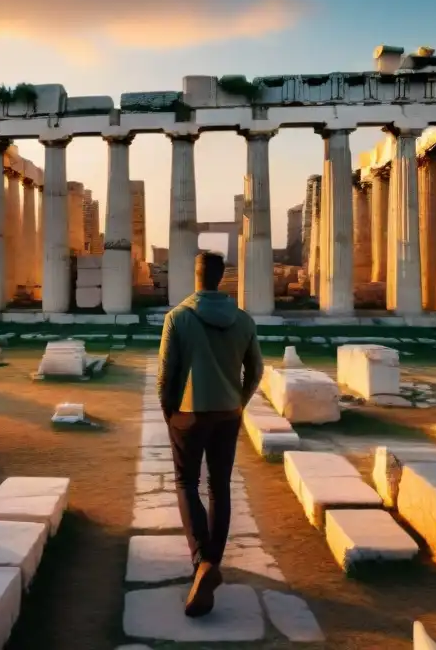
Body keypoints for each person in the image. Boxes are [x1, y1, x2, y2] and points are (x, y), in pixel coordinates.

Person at [156, 250, 264, 618]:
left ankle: (202, 561)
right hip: (228, 413)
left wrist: (168, 411)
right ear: (222, 278)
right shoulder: (244, 320)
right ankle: (212, 563)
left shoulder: (178, 318)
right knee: (219, 486)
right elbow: (257, 370)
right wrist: (240, 401)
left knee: (187, 484)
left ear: (196, 276)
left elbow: (165, 375)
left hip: (188, 413)